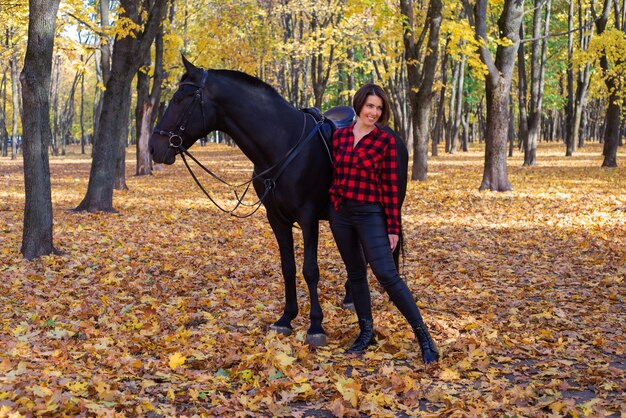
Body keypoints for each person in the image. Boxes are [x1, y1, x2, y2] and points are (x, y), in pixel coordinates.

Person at [328, 83, 440, 364]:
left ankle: (423, 337)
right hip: (341, 214)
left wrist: (393, 228)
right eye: (370, 106)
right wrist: (333, 199)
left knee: (387, 275)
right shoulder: (339, 137)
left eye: (379, 108)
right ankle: (366, 333)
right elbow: (334, 174)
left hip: (371, 215)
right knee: (355, 274)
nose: (374, 112)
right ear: (359, 105)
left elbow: (391, 188)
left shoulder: (385, 141)